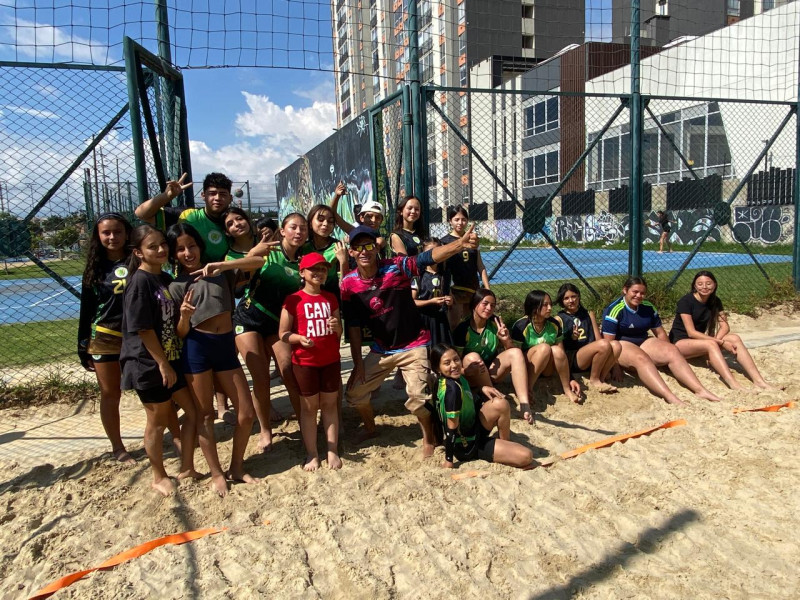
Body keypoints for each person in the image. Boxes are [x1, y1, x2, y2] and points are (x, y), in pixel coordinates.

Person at [341, 224, 479, 457]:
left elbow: (426, 258)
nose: (364, 251)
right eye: (358, 247)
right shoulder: (348, 284)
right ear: (351, 252)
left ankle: (428, 437)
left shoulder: (396, 267)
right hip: (382, 349)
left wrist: (458, 245)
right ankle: (370, 427)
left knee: (417, 398)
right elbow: (353, 327)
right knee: (354, 393)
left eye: (368, 245)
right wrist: (357, 364)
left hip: (414, 344)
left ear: (376, 248)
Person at [196, 213, 307, 452]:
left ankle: (305, 424)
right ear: (283, 230)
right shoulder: (269, 250)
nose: (298, 232)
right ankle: (265, 431)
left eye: (303, 228)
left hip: (277, 323)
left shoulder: (303, 260)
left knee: (288, 370)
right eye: (293, 227)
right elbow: (251, 263)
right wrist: (223, 265)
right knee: (261, 377)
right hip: (248, 318)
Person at [167, 223, 258, 495]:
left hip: (225, 347)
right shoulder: (175, 286)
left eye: (191, 246)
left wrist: (224, 266)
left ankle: (237, 467)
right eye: (180, 249)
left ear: (200, 246)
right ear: (174, 255)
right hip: (197, 348)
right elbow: (180, 333)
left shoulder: (219, 272)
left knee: (246, 413)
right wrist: (183, 316)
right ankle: (217, 473)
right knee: (205, 415)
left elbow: (258, 260)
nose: (187, 252)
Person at [119, 225, 200, 497]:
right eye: (152, 246)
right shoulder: (139, 282)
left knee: (194, 411)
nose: (161, 250)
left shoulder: (165, 278)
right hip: (147, 363)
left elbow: (173, 325)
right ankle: (158, 475)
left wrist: (185, 318)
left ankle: (186, 467)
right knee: (158, 420)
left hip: (171, 357)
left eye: (163, 244)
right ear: (138, 252)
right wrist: (162, 364)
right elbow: (143, 329)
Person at [601, 277, 723, 404]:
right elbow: (610, 342)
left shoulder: (648, 307)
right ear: (625, 290)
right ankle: (669, 396)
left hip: (642, 340)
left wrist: (668, 351)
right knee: (642, 358)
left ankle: (700, 390)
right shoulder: (615, 309)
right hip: (621, 344)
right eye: (635, 292)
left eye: (642, 293)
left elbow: (659, 333)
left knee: (672, 350)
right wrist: (614, 366)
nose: (639, 296)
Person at [78, 212, 135, 464]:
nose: (112, 237)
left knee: (151, 389)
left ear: (127, 233)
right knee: (111, 394)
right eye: (106, 233)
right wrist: (82, 346)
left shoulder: (138, 259)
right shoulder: (94, 268)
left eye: (118, 232)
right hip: (104, 338)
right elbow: (87, 310)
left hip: (138, 336)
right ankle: (118, 447)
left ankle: (173, 436)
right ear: (98, 236)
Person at [279, 252, 344, 471]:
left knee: (329, 405)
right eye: (313, 269)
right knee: (309, 409)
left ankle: (332, 450)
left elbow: (339, 332)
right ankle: (312, 453)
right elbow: (283, 334)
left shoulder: (331, 298)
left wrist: (337, 328)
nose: (318, 273)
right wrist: (298, 339)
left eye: (323, 269)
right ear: (302, 272)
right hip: (305, 362)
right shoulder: (293, 299)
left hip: (330, 360)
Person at [669, 270, 781, 391]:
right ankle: (733, 384)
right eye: (700, 284)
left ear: (715, 284)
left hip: (699, 342)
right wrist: (720, 342)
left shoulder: (715, 301)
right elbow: (691, 332)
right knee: (711, 344)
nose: (704, 287)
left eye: (708, 283)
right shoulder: (686, 301)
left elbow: (725, 326)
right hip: (680, 343)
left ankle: (759, 381)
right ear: (694, 286)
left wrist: (718, 339)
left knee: (734, 338)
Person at [431, 343, 533, 470]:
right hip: (468, 445)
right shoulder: (452, 390)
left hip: (474, 428)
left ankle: (505, 443)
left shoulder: (451, 379)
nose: (454, 365)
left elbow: (464, 400)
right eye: (447, 363)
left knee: (501, 403)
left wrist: (481, 389)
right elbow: (451, 429)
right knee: (526, 456)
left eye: (456, 359)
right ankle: (502, 449)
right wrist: (449, 460)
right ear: (438, 368)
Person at [452, 289, 534, 424]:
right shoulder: (463, 329)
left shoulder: (495, 323)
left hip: (491, 372)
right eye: (485, 304)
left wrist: (506, 339)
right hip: (471, 375)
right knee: (472, 357)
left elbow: (511, 351)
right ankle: (493, 397)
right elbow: (456, 364)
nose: (489, 308)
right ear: (475, 304)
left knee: (516, 352)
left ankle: (525, 405)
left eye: (493, 305)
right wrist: (465, 371)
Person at [134, 172, 233, 262]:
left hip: (220, 278)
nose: (217, 198)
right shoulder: (186, 216)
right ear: (203, 196)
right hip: (183, 278)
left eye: (223, 194)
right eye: (212, 193)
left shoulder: (236, 224)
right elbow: (142, 214)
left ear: (230, 198)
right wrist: (167, 196)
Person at [511, 290, 582, 404]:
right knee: (544, 348)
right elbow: (515, 357)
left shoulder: (554, 323)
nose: (549, 308)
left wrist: (571, 378)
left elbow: (561, 354)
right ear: (534, 307)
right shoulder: (521, 325)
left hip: (547, 368)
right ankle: (527, 389)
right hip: (527, 367)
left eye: (550, 304)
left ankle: (567, 389)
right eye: (545, 305)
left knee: (557, 350)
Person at [555, 283, 621, 393]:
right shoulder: (559, 318)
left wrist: (615, 365)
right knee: (604, 344)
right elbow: (561, 346)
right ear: (561, 301)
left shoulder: (588, 313)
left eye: (573, 296)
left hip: (593, 353)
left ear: (578, 297)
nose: (571, 300)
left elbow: (598, 338)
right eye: (566, 298)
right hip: (574, 358)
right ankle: (594, 379)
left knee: (616, 345)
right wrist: (571, 338)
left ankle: (602, 377)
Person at [441, 205, 490, 330]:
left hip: (472, 288)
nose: (460, 223)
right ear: (450, 221)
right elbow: (443, 269)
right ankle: (454, 349)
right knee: (454, 325)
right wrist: (447, 290)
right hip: (455, 289)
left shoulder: (473, 240)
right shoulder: (444, 242)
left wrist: (487, 288)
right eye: (456, 219)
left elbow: (480, 265)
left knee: (473, 324)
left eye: (463, 219)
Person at [411, 238, 453, 348]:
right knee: (425, 351)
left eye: (437, 251)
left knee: (443, 350)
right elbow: (412, 302)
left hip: (440, 319)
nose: (434, 255)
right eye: (429, 252)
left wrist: (450, 300)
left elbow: (450, 295)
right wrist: (430, 301)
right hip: (423, 319)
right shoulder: (418, 275)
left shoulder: (445, 274)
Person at [302, 204, 349, 297]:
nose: (325, 224)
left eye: (330, 221)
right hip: (305, 299)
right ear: (310, 223)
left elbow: (345, 283)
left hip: (331, 300)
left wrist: (343, 262)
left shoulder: (338, 247)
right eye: (320, 219)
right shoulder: (302, 247)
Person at [330, 181, 387, 250]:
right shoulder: (356, 232)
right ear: (361, 218)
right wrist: (337, 196)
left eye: (378, 218)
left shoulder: (380, 239)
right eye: (369, 216)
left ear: (381, 221)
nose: (373, 220)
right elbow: (332, 213)